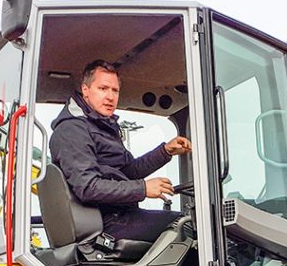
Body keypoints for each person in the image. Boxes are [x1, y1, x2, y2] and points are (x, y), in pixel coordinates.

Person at [49, 60, 193, 244]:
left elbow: (125, 172)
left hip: (121, 215)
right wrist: (142, 189)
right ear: (86, 90)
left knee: (187, 225)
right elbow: (88, 187)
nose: (110, 96)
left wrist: (165, 151)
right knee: (187, 227)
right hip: (105, 222)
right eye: (103, 88)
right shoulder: (73, 129)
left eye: (114, 90)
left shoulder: (101, 126)